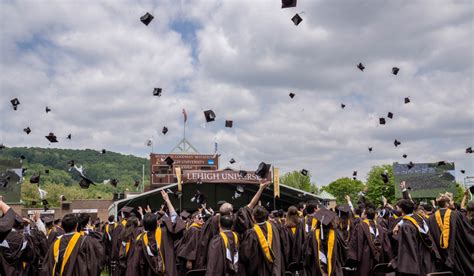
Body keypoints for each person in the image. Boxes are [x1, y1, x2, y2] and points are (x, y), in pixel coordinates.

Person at [126, 190, 185, 276]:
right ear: (157, 223)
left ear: (144, 225)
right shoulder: (165, 233)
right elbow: (174, 219)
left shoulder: (141, 239)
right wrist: (167, 200)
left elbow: (137, 264)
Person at [427, 194, 474, 275]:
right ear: (447, 204)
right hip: (457, 251)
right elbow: (467, 231)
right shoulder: (457, 215)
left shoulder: (431, 218)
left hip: (440, 253)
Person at [391, 199, 439, 275]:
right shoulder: (421, 219)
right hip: (427, 259)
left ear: (401, 209)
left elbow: (407, 248)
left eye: (397, 208)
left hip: (416, 259)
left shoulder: (406, 226)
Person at [347, 206, 392, 276]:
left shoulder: (360, 226)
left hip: (365, 258)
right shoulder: (380, 227)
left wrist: (354, 259)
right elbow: (386, 245)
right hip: (379, 257)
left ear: (365, 215)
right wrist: (390, 258)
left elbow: (357, 243)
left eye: (363, 213)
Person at [240, 205, 283, 275]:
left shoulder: (251, 233)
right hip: (275, 268)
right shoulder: (274, 227)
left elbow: (245, 256)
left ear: (253, 217)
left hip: (259, 271)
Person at [303, 207, 347, 276]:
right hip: (334, 269)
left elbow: (308, 255)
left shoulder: (312, 235)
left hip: (317, 269)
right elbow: (343, 252)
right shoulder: (337, 234)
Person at [280, 206, 305, 272]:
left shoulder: (284, 227)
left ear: (287, 214)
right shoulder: (301, 225)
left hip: (289, 259)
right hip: (300, 257)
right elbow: (304, 240)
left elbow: (284, 245)